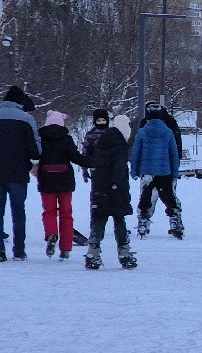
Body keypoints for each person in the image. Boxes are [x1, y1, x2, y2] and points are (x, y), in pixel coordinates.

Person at [85, 114, 137, 270]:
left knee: (99, 218)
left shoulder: (102, 143)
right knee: (119, 220)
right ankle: (125, 253)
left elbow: (95, 162)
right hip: (116, 189)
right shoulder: (120, 146)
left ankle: (93, 252)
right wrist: (116, 183)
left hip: (99, 186)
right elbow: (120, 167)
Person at [37, 110, 88, 260]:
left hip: (47, 179)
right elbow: (76, 157)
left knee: (49, 211)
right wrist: (93, 162)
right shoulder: (66, 139)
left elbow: (35, 155)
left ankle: (52, 234)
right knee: (66, 214)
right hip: (65, 179)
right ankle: (65, 248)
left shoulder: (41, 138)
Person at [0, 85, 41, 262]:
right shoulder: (26, 119)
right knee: (18, 211)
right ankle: (19, 250)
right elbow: (36, 149)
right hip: (18, 173)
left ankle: (0, 251)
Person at [131, 105, 183, 239]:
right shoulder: (168, 132)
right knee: (169, 197)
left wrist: (134, 170)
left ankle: (143, 222)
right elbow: (174, 154)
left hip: (147, 171)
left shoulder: (142, 132)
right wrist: (174, 171)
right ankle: (174, 222)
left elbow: (136, 152)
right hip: (164, 171)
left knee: (145, 197)